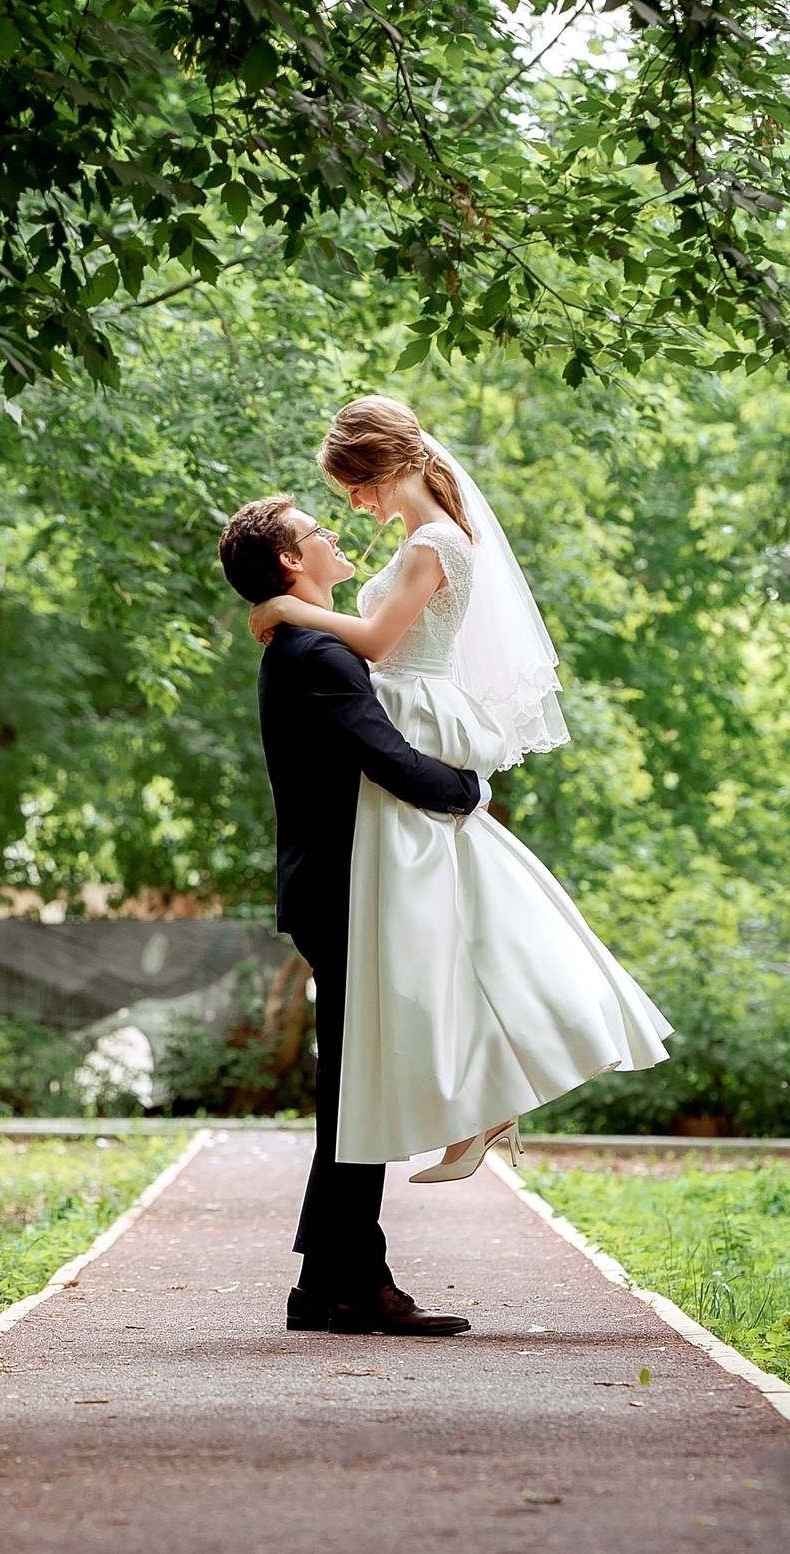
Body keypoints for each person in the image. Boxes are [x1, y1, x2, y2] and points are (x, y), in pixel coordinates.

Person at [248, 395, 672, 1183]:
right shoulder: (422, 537)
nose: (355, 507)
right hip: (401, 710)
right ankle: (479, 1101)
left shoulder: (436, 541)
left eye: (356, 488)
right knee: (442, 931)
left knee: (439, 928)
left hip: (413, 715)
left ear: (383, 468)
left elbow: (377, 641)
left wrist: (282, 608)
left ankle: (489, 1094)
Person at [216, 493, 480, 1337]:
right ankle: (351, 1280)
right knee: (360, 1084)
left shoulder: (301, 643)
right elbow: (390, 759)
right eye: (315, 532)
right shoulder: (314, 655)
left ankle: (330, 1280)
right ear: (292, 564)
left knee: (351, 1087)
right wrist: (466, 789)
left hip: (330, 886)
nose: (333, 535)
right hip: (340, 890)